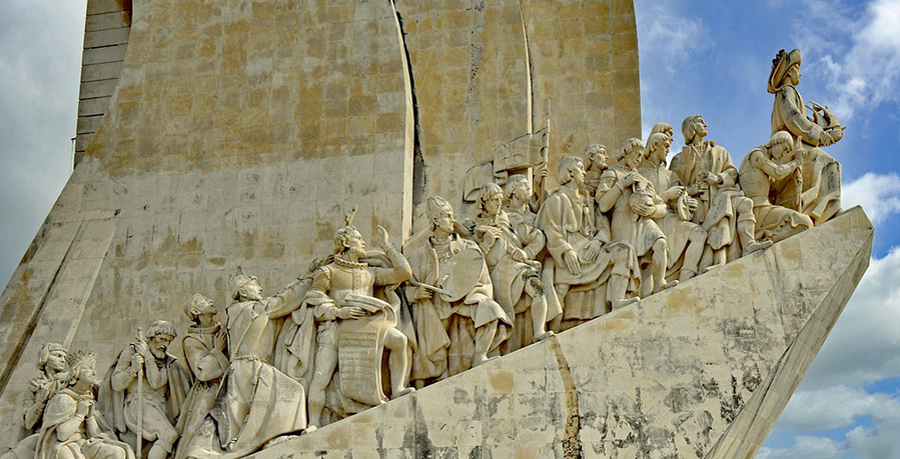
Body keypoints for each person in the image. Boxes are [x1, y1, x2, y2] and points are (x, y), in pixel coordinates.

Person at [183, 269, 309, 458]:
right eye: (254, 285)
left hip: (247, 367)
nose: (260, 288)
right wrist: (308, 277)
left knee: (238, 413)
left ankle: (268, 437)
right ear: (242, 291)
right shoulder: (254, 309)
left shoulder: (238, 311)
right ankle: (266, 439)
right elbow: (285, 300)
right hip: (249, 367)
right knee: (291, 391)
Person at [305, 218, 415, 430]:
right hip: (335, 327)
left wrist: (387, 247)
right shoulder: (328, 271)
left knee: (399, 340)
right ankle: (313, 422)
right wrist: (338, 312)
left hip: (365, 326)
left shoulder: (369, 273)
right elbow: (314, 300)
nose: (363, 242)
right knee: (321, 374)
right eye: (358, 238)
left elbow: (404, 273)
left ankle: (398, 388)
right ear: (346, 242)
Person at [407, 196, 512, 386]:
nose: (452, 220)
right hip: (435, 305)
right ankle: (427, 377)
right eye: (447, 216)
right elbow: (407, 287)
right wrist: (415, 294)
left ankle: (480, 356)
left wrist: (471, 292)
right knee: (426, 324)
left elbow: (481, 277)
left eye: (452, 215)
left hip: (465, 299)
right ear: (435, 221)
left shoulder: (468, 247)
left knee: (491, 310)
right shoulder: (419, 255)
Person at [536, 156, 641, 331]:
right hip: (568, 254)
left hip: (590, 250)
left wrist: (597, 242)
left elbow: (604, 228)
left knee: (624, 250)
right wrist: (566, 251)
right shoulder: (556, 200)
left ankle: (617, 301)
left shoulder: (589, 201)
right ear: (570, 173)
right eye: (580, 169)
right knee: (560, 289)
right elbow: (550, 230)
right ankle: (550, 331)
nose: (584, 172)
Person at [670, 115, 772, 269]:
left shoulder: (720, 151)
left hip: (723, 193)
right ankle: (718, 260)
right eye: (700, 122)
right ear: (691, 128)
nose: (705, 124)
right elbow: (673, 187)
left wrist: (717, 178)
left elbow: (732, 173)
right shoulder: (679, 158)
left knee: (745, 203)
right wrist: (691, 190)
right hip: (697, 205)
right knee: (725, 208)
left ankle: (748, 243)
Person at [469, 183, 555, 353]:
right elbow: (474, 262)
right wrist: (486, 244)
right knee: (500, 316)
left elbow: (538, 237)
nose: (498, 203)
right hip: (495, 275)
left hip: (517, 267)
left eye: (500, 199)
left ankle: (539, 331)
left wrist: (525, 252)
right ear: (483, 203)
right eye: (494, 200)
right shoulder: (475, 228)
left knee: (538, 288)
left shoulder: (511, 221)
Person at [769, 48, 843, 224]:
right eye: (797, 69)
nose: (800, 74)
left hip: (799, 144)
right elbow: (794, 120)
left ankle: (829, 208)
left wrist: (826, 128)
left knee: (830, 163)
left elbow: (805, 121)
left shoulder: (792, 93)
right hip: (789, 148)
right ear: (789, 71)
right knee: (824, 160)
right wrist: (822, 137)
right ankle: (821, 210)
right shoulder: (786, 91)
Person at [100, 321, 191, 459]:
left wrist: (147, 357)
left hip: (160, 408)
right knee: (169, 435)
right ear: (151, 338)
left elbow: (156, 382)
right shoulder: (131, 352)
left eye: (169, 341)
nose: (165, 345)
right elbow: (116, 384)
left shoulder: (168, 362)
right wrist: (132, 370)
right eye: (162, 339)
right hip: (139, 404)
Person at [596, 139, 674, 296]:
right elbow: (603, 205)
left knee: (660, 242)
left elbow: (662, 206)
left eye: (641, 156)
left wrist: (652, 210)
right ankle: (626, 295)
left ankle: (660, 283)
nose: (639, 159)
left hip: (643, 221)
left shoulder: (643, 180)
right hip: (622, 222)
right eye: (637, 155)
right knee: (629, 261)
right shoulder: (612, 174)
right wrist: (622, 184)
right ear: (627, 153)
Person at [36, 350, 135, 459]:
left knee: (118, 452)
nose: (93, 372)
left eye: (94, 368)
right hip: (66, 444)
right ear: (75, 372)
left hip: (85, 443)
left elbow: (95, 435)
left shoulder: (90, 398)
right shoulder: (63, 399)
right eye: (88, 368)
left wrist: (90, 417)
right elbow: (62, 435)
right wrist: (79, 415)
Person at [638, 132, 708, 282]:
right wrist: (666, 195)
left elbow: (679, 200)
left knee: (699, 234)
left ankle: (686, 278)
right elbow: (641, 203)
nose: (669, 150)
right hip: (651, 222)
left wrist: (686, 203)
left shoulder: (670, 175)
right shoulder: (639, 173)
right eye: (666, 146)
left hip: (671, 219)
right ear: (655, 145)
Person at [172, 295, 228, 459]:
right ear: (195, 311)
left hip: (229, 384)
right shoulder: (192, 340)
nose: (211, 301)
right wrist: (217, 351)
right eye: (204, 300)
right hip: (207, 391)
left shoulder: (225, 331)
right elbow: (202, 372)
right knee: (197, 432)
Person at [739, 131, 814, 243]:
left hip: (766, 209)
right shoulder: (757, 155)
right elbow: (777, 172)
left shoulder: (766, 160)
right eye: (784, 149)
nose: (783, 154)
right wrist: (797, 161)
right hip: (758, 210)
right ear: (777, 141)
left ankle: (766, 240)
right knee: (803, 222)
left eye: (787, 152)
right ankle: (765, 241)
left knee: (804, 223)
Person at [2, 343, 69, 459]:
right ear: (45, 358)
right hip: (40, 434)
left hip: (62, 432)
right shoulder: (34, 386)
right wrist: (41, 401)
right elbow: (28, 422)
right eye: (58, 356)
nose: (63, 360)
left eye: (64, 357)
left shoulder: (67, 381)